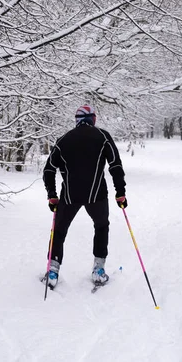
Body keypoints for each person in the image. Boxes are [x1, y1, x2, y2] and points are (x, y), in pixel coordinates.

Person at [42, 104, 127, 288]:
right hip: (97, 195)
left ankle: (53, 271)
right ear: (93, 119)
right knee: (101, 226)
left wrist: (52, 195)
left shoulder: (63, 140)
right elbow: (115, 165)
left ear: (77, 120)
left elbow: (49, 169)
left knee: (59, 231)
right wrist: (120, 193)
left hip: (70, 196)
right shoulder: (103, 136)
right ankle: (98, 270)